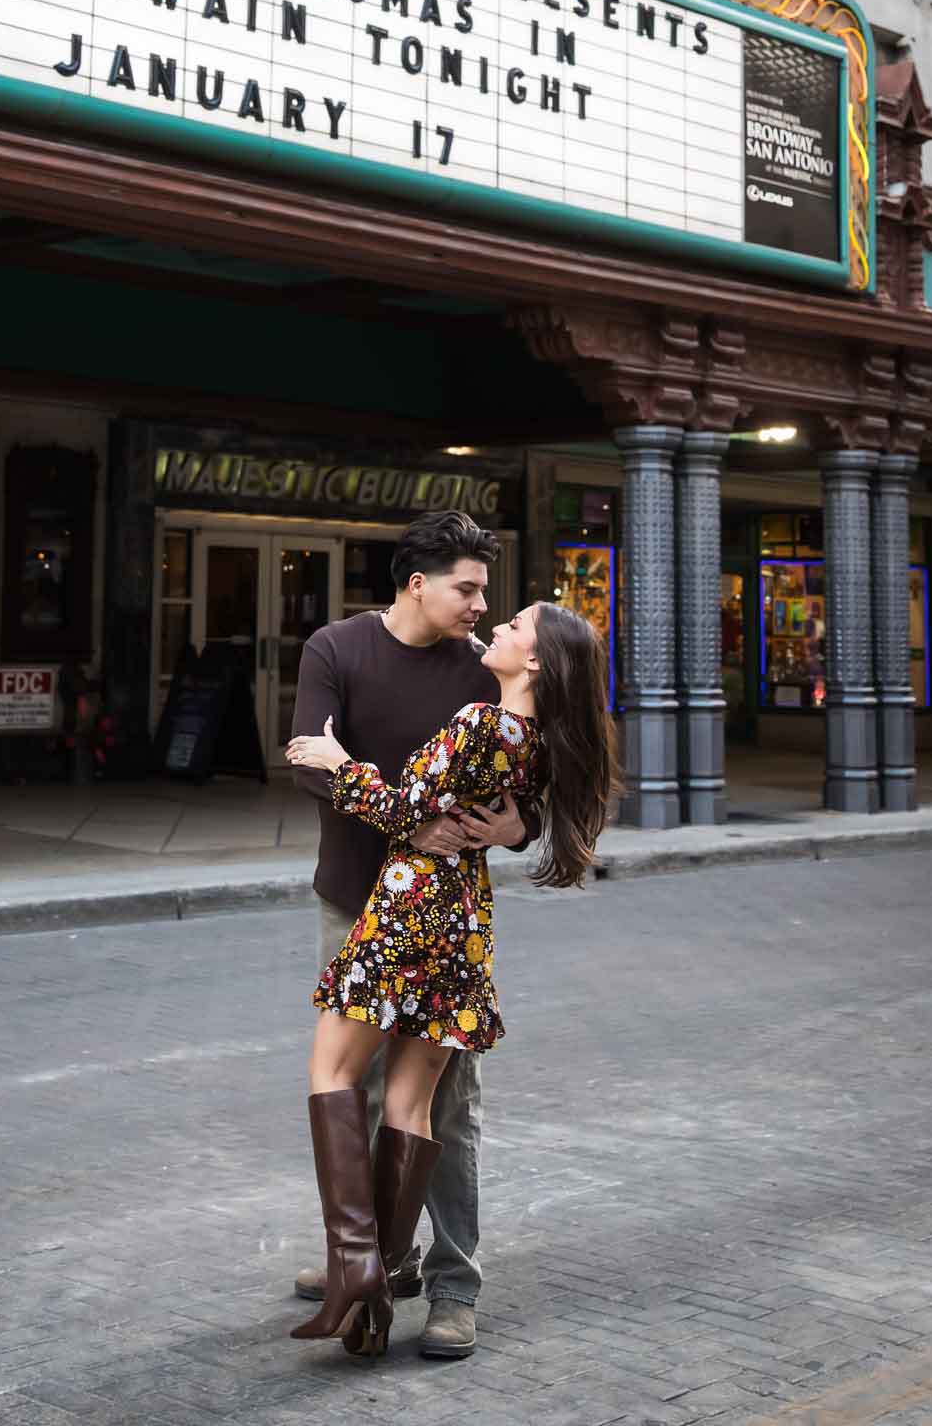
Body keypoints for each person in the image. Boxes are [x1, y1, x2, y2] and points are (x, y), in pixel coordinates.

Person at [287, 599, 616, 1360]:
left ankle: (363, 1273)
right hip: (461, 929)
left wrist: (339, 766)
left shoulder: (478, 722)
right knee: (410, 1104)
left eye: (513, 624)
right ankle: (371, 1286)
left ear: (535, 661)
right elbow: (497, 807)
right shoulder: (534, 739)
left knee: (332, 1075)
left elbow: (405, 809)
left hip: (407, 914)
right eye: (478, 598)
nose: (492, 620)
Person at [286, 510, 535, 1361]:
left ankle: (454, 1285)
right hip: (352, 899)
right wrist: (406, 817)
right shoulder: (336, 648)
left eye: (485, 591)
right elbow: (305, 755)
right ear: (417, 582)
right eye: (468, 588)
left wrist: (511, 830)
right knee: (352, 1093)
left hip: (433, 914)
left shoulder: (482, 677)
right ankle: (368, 1262)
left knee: (446, 1105)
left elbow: (521, 789)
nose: (480, 605)